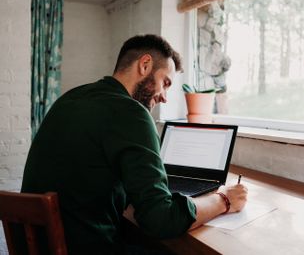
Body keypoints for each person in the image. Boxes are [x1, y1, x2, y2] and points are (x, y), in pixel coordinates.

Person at [21, 34, 248, 255]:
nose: (164, 97)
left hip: (38, 244)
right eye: (165, 83)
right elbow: (160, 221)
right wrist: (223, 200)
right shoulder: (132, 113)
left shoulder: (70, 98)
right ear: (145, 64)